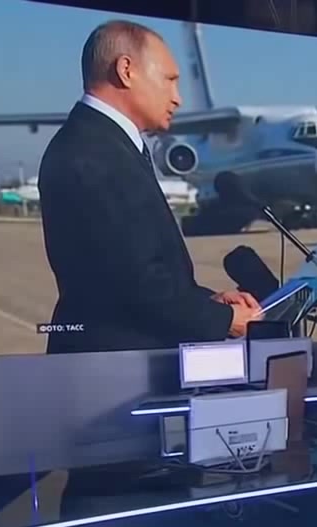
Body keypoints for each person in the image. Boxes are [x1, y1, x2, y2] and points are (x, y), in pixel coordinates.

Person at [39, 20, 258, 354]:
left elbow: (134, 270)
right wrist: (223, 319)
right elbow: (136, 284)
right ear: (126, 71)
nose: (177, 98)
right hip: (115, 365)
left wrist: (207, 302)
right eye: (169, 80)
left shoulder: (104, 143)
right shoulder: (93, 153)